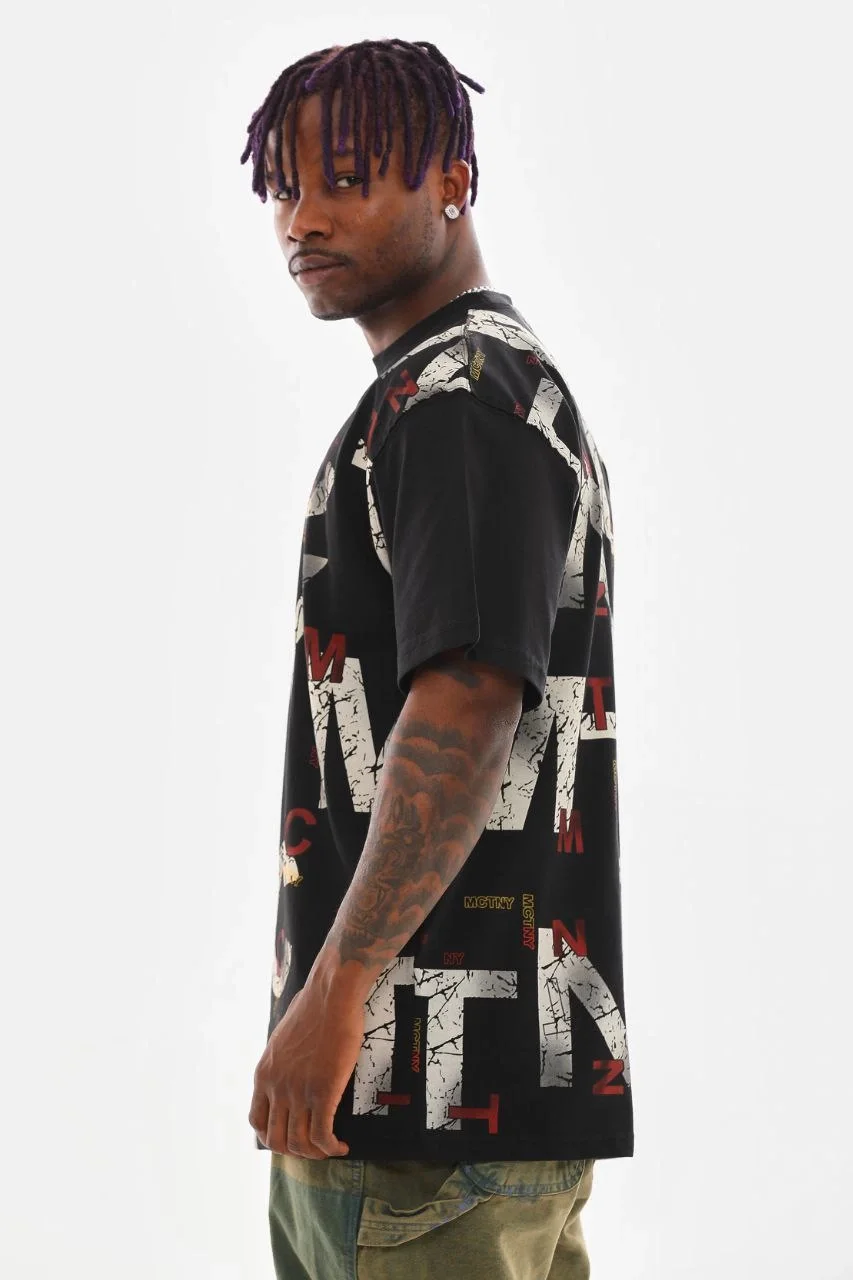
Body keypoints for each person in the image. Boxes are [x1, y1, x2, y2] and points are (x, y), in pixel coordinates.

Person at [242, 36, 634, 1280]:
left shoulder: (457, 400)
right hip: (469, 1106)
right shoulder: (473, 388)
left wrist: (335, 994)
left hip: (417, 1116)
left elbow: (465, 707)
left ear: (453, 181)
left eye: (346, 178)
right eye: (283, 186)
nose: (303, 218)